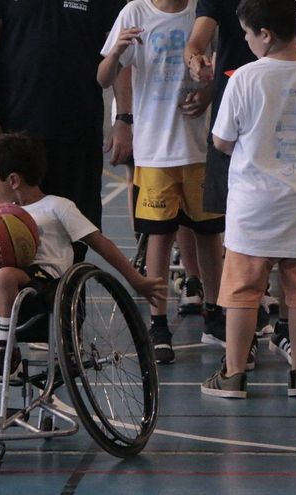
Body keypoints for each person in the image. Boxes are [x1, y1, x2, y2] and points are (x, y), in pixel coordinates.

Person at [0, 133, 165, 392]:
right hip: (2, 286)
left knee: (5, 275)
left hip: (46, 286)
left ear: (13, 180)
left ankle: (6, 350)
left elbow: (102, 244)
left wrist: (137, 280)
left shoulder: (57, 206)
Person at [201, 0, 296, 398]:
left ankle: (234, 375)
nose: (247, 42)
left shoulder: (245, 77)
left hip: (253, 205)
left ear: (265, 35)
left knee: (242, 290)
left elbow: (221, 141)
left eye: (247, 35)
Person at [97, 0, 226, 365]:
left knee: (209, 233)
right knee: (160, 236)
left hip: (198, 145)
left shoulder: (202, 13)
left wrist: (209, 91)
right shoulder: (135, 12)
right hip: (155, 149)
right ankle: (158, 324)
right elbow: (103, 77)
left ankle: (214, 314)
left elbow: (227, 65)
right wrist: (117, 52)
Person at [0, 0, 128, 263]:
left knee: (77, 231)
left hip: (77, 130)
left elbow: (121, 53)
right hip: (15, 134)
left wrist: (123, 117)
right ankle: (16, 290)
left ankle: (66, 287)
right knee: (6, 230)